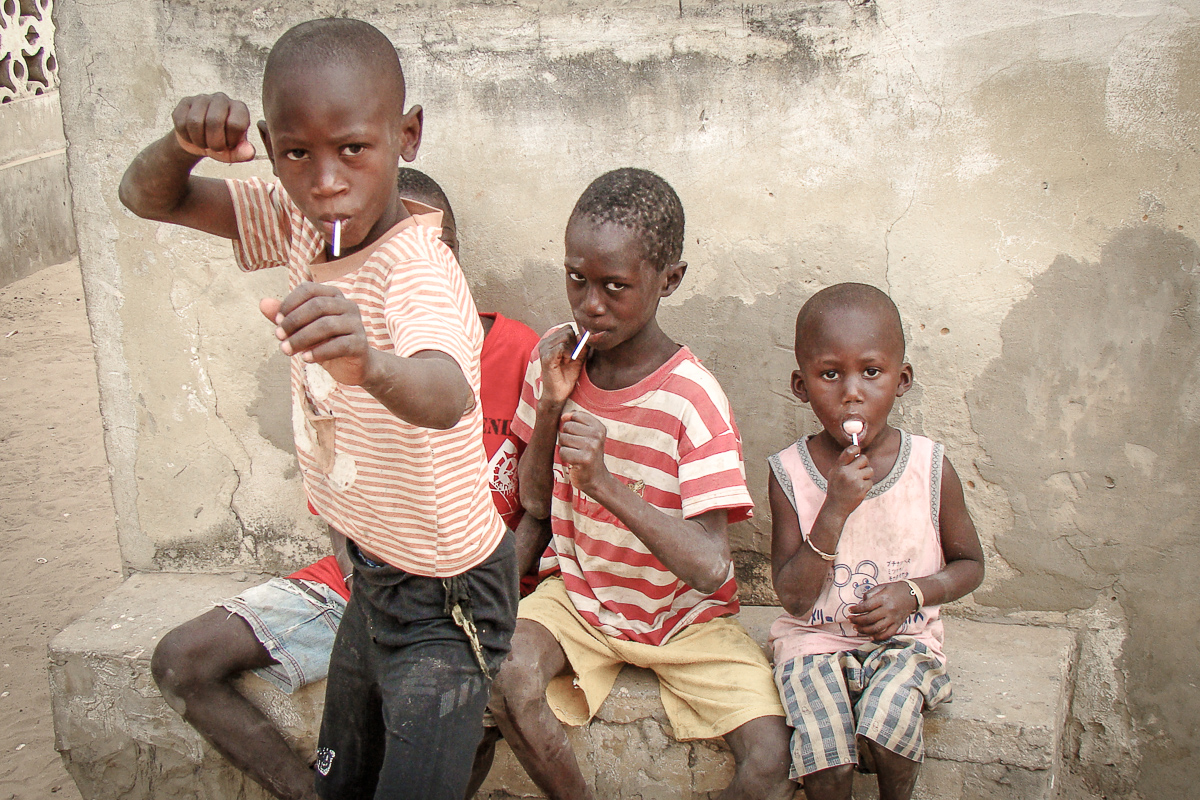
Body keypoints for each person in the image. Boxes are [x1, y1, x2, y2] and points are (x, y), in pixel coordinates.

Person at [118, 20, 518, 800]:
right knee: (343, 780)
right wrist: (183, 142)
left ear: (407, 135)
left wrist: (368, 363)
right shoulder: (296, 220)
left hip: (448, 600)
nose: (326, 179)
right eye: (298, 152)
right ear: (270, 145)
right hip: (369, 578)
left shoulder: (420, 272)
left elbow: (445, 394)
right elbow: (146, 196)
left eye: (353, 149)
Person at [478, 167, 794, 800]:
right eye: (577, 279)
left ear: (668, 280)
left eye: (614, 286)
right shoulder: (557, 365)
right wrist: (550, 408)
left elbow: (710, 568)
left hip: (686, 620)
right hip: (582, 598)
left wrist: (604, 484)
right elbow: (536, 504)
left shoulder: (692, 399)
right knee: (504, 675)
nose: (590, 303)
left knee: (771, 758)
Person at [767, 283, 986, 800]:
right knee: (826, 763)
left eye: (871, 372)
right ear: (800, 386)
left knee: (887, 730)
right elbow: (795, 598)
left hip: (906, 642)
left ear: (901, 379)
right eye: (829, 374)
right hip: (814, 642)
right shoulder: (789, 472)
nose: (851, 392)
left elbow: (971, 563)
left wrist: (913, 592)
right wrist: (835, 508)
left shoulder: (930, 466)